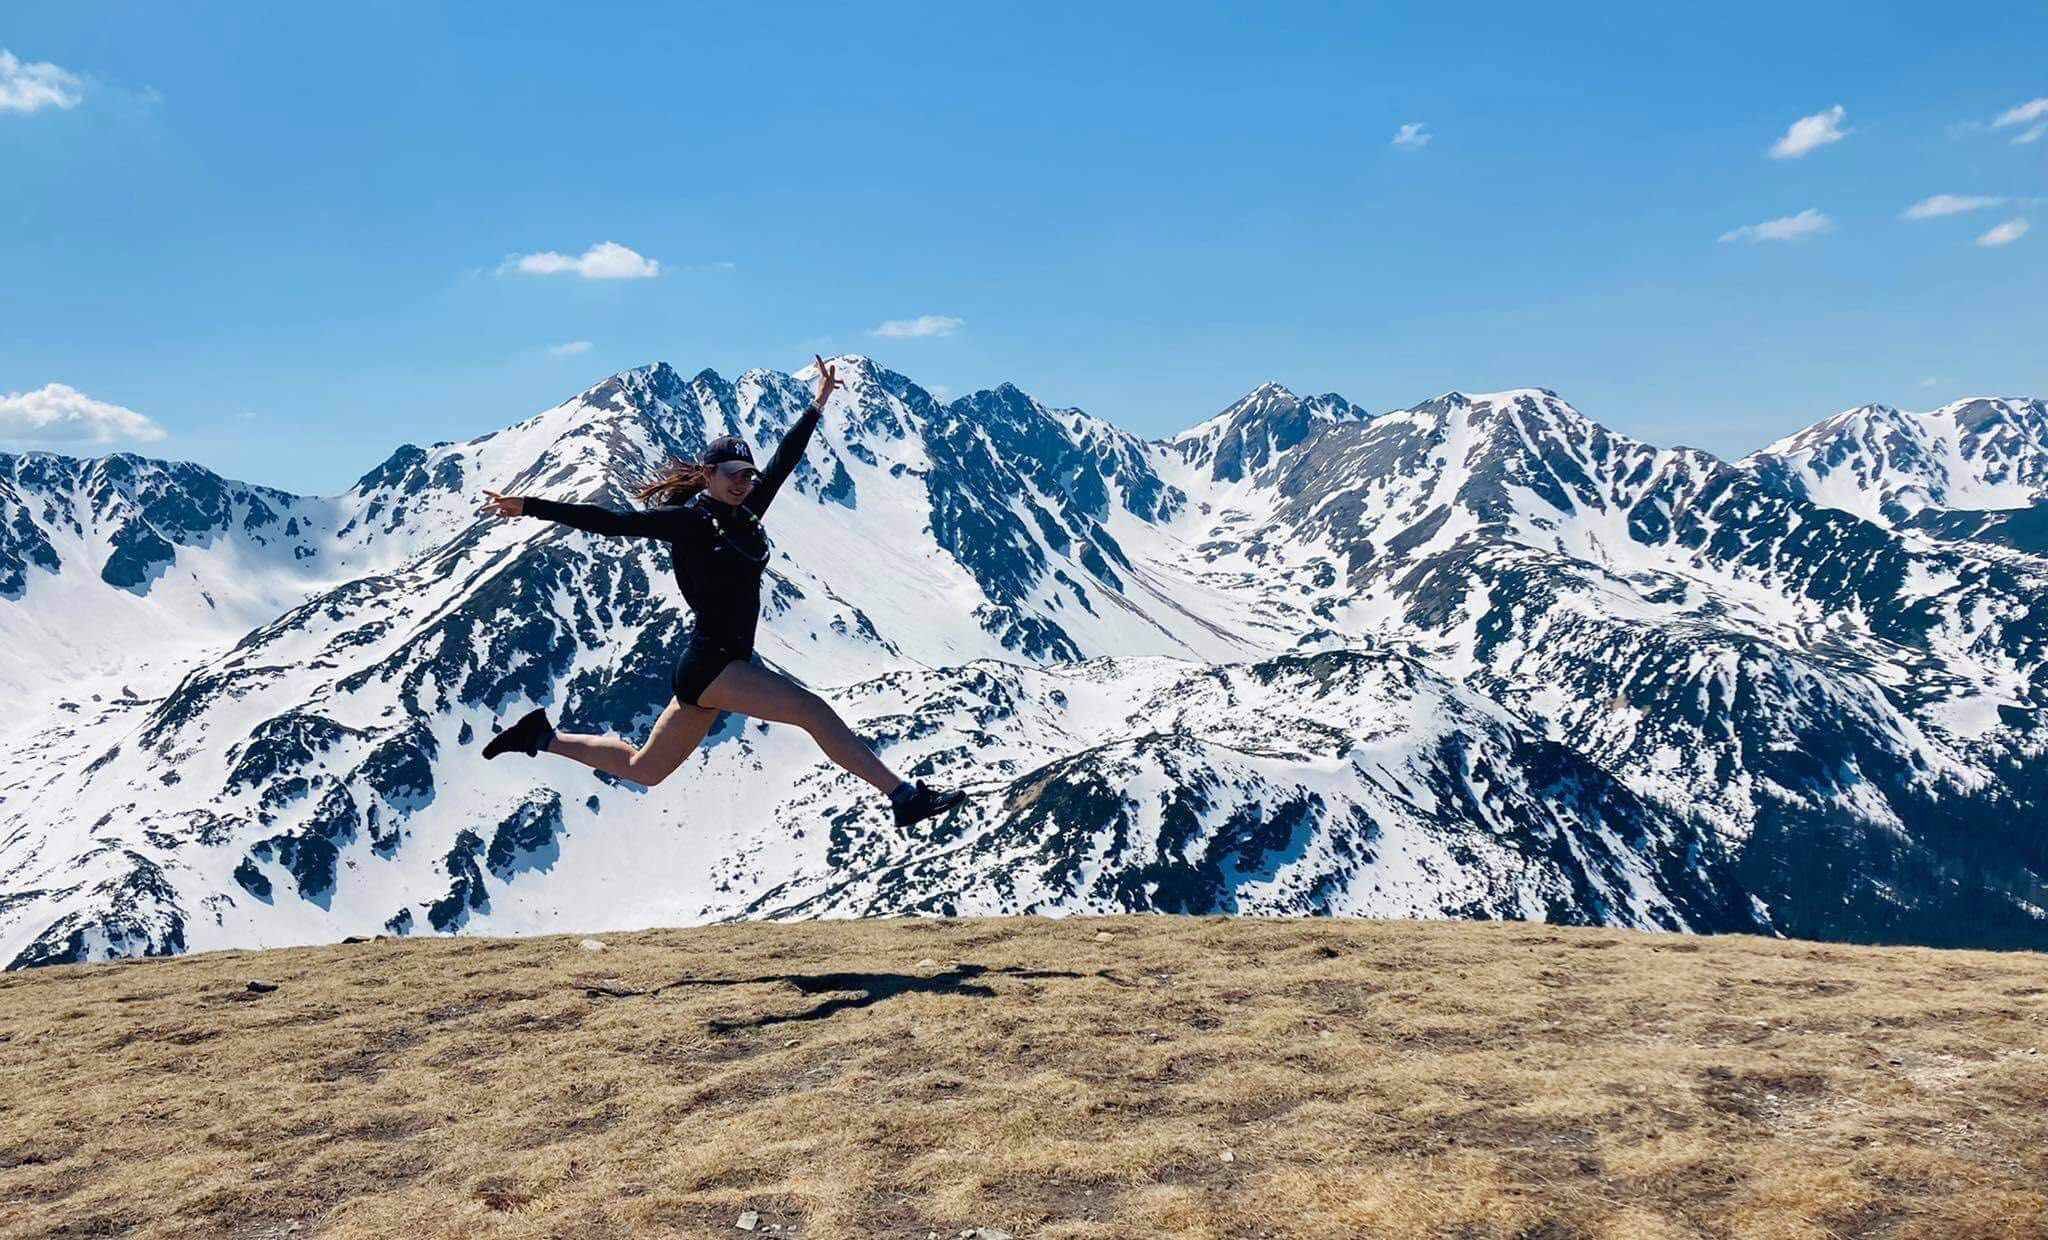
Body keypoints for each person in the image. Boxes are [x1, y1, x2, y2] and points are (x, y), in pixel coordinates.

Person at [474, 355, 967, 829]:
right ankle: (903, 796)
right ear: (708, 475)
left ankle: (540, 735)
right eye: (733, 476)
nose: (743, 483)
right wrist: (530, 506)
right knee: (812, 711)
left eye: (747, 476)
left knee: (645, 769)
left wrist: (818, 404)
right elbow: (612, 522)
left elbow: (784, 460)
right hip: (713, 664)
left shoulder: (749, 512)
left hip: (717, 666)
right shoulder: (688, 521)